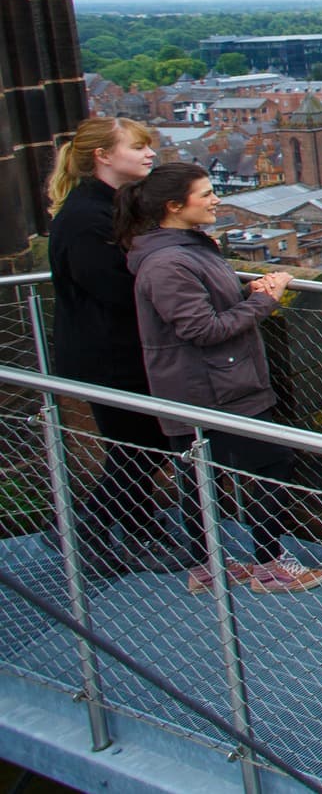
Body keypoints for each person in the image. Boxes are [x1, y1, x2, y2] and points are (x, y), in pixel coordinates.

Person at [118, 163, 322, 594]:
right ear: (175, 206)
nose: (217, 199)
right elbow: (203, 330)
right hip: (212, 388)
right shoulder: (168, 262)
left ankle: (208, 567)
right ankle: (269, 566)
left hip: (211, 383)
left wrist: (244, 293)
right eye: (207, 193)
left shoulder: (184, 249)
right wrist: (265, 301)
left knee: (203, 477)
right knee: (265, 468)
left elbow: (203, 308)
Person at [45, 117, 186, 575]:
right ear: (103, 156)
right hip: (107, 355)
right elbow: (115, 287)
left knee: (137, 444)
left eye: (149, 146)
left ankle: (138, 526)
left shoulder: (112, 205)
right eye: (138, 147)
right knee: (142, 445)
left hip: (123, 349)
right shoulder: (87, 218)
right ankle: (87, 529)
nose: (149, 154)